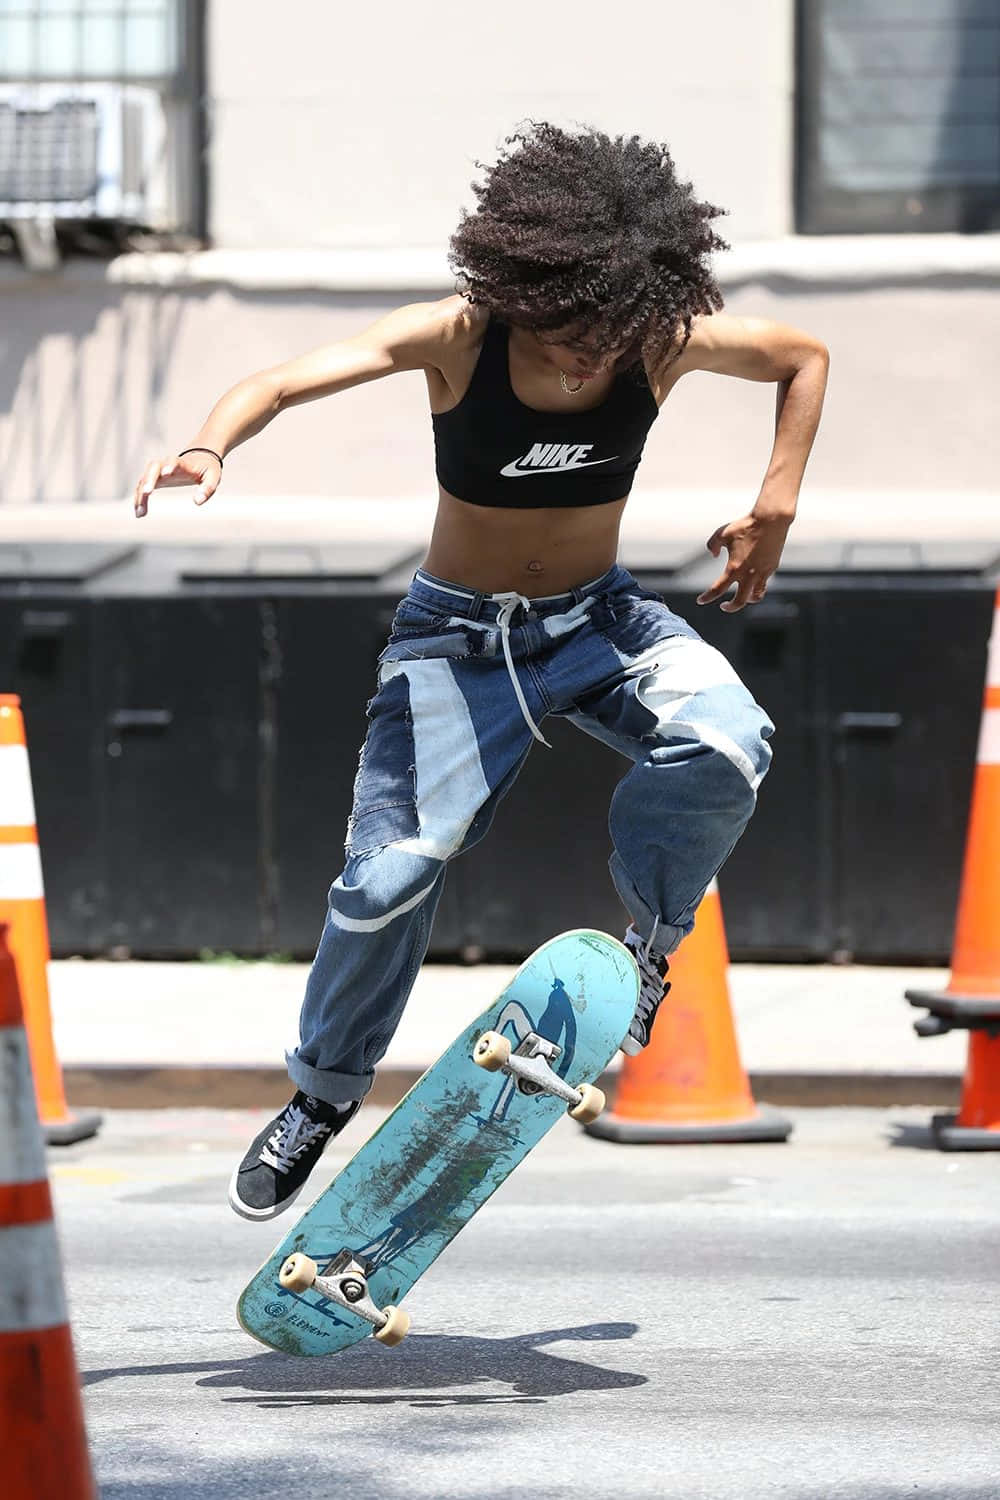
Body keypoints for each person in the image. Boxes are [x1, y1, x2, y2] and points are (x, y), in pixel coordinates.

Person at [133, 122, 829, 1221]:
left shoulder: (656, 340)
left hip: (600, 623)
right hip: (456, 646)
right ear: (518, 294)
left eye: (604, 341)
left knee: (728, 740)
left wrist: (776, 500)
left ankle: (648, 953)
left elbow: (801, 357)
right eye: (562, 339)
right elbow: (282, 380)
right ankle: (322, 1094)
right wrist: (211, 445)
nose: (584, 361)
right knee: (383, 884)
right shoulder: (457, 337)